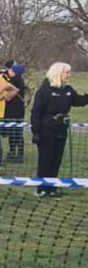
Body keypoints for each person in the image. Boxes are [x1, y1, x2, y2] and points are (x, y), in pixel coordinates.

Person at [30, 62, 88, 197]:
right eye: (66, 72)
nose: (69, 75)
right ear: (58, 73)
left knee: (56, 160)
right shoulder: (44, 90)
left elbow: (78, 101)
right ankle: (42, 189)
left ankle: (52, 188)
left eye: (69, 72)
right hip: (46, 130)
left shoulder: (67, 90)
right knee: (46, 160)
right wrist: (36, 132)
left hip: (61, 130)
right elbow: (36, 113)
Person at [2, 61, 27, 163]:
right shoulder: (20, 80)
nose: (9, 71)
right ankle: (17, 153)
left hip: (13, 110)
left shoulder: (14, 80)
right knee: (17, 132)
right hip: (19, 110)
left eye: (11, 70)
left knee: (14, 132)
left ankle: (14, 153)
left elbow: (6, 95)